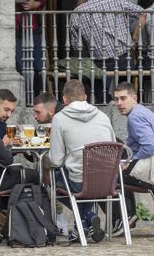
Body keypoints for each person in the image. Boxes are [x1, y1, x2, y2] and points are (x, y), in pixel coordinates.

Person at [49, 79, 115, 243]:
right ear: (85, 97)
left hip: (80, 182)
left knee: (49, 182)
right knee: (84, 173)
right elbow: (113, 146)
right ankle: (85, 223)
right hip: (107, 181)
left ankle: (87, 217)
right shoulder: (103, 116)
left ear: (64, 100)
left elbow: (56, 160)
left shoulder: (59, 118)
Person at [112, 82, 154, 235]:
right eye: (116, 99)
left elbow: (149, 147)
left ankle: (126, 217)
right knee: (120, 171)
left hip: (152, 171)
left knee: (111, 177)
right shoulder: (142, 111)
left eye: (123, 98)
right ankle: (128, 216)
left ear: (134, 98)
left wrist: (130, 162)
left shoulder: (135, 117)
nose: (119, 103)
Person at [70, 0, 142, 101]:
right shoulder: (117, 1)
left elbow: (76, 46)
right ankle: (124, 103)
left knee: (100, 92)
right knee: (125, 88)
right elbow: (143, 12)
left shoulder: (77, 12)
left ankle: (105, 102)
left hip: (99, 60)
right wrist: (134, 36)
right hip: (124, 56)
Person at [14, 0, 46, 96]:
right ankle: (25, 98)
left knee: (38, 66)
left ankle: (37, 98)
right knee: (21, 66)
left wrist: (34, 4)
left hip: (30, 27)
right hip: (11, 29)